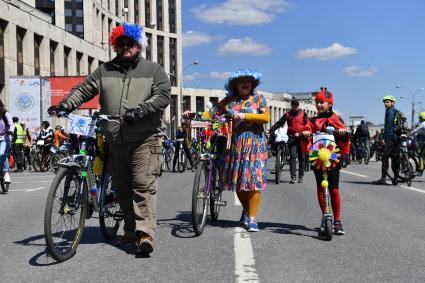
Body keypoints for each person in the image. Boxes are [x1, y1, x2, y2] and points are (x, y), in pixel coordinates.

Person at [48, 22, 170, 256]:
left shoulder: (153, 70)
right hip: (115, 139)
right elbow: (84, 90)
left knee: (142, 186)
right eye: (120, 43)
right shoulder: (105, 70)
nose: (125, 47)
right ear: (115, 45)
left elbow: (162, 96)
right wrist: (65, 104)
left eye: (130, 43)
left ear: (138, 45)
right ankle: (131, 230)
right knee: (123, 189)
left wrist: (142, 110)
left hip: (145, 137)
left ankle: (145, 235)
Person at [184, 69, 270, 232]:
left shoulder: (259, 99)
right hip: (235, 144)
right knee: (238, 182)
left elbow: (265, 118)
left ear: (252, 84)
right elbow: (212, 114)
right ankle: (246, 209)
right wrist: (193, 114)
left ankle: (252, 218)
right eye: (241, 81)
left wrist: (243, 116)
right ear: (235, 85)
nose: (245, 84)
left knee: (253, 182)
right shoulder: (229, 100)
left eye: (248, 81)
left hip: (255, 144)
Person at [302, 87, 350, 235]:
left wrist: (342, 133)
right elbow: (306, 131)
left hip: (333, 158)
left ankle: (337, 220)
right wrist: (305, 133)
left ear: (330, 104)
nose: (319, 105)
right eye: (317, 102)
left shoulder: (337, 119)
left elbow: (345, 137)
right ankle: (325, 215)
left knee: (334, 189)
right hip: (317, 157)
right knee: (321, 187)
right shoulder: (312, 120)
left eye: (322, 102)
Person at [268, 98, 308, 183]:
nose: (295, 106)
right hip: (292, 138)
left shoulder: (303, 114)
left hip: (302, 138)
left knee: (302, 157)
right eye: (294, 105)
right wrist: (270, 130)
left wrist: (305, 133)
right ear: (291, 105)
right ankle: (293, 177)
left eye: (297, 105)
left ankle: (301, 176)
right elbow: (279, 123)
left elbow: (307, 125)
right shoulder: (287, 114)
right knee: (293, 156)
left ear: (298, 105)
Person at [373, 96, 403, 185]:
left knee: (385, 158)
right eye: (385, 102)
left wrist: (385, 138)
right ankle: (396, 178)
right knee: (395, 158)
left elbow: (389, 124)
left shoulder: (389, 111)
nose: (386, 104)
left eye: (388, 102)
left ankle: (383, 179)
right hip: (397, 138)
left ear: (392, 103)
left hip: (390, 137)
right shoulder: (397, 111)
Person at [0, 100, 14, 183]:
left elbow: (11, 124)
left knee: (2, 153)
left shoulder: (5, 113)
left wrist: (11, 131)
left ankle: (6, 172)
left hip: (4, 138)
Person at [410, 112, 425, 176]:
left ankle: (420, 170)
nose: (419, 119)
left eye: (420, 117)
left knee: (420, 156)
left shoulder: (423, 124)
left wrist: (407, 134)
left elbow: (415, 131)